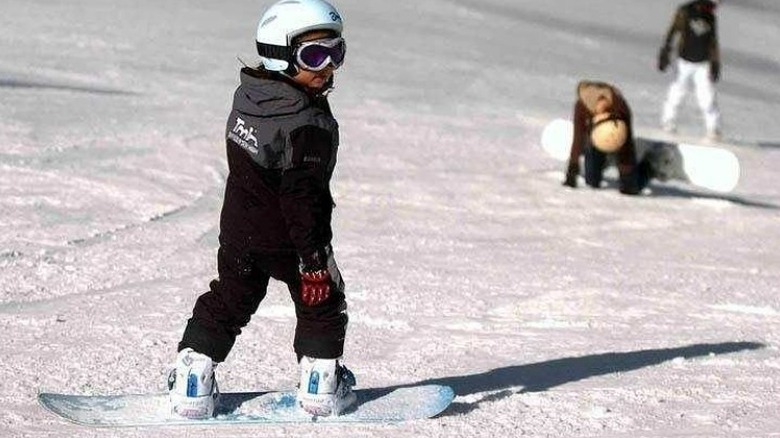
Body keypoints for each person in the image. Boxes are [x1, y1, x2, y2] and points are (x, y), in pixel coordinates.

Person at [167, 0, 355, 419]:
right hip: (292, 240)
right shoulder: (308, 124)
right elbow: (302, 200)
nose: (328, 67)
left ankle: (192, 380)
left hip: (240, 232)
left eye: (336, 51)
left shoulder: (250, 97)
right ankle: (321, 384)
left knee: (229, 298)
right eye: (314, 55)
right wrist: (313, 263)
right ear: (279, 55)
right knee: (321, 303)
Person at [563, 80, 654, 195]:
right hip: (595, 141)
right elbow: (578, 138)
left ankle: (648, 168)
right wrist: (573, 169)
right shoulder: (581, 107)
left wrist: (627, 176)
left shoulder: (620, 106)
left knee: (631, 188)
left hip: (617, 136)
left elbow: (626, 144)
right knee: (592, 182)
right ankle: (602, 164)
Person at [658, 0, 722, 140]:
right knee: (677, 91)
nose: (715, 7)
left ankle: (713, 127)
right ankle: (668, 121)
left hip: (703, 63)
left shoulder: (710, 17)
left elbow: (712, 41)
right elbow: (673, 30)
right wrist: (666, 51)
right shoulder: (686, 11)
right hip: (683, 61)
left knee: (707, 96)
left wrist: (715, 61)